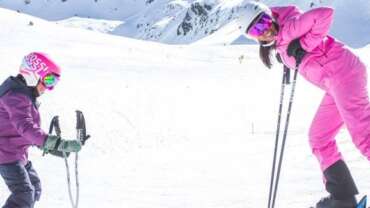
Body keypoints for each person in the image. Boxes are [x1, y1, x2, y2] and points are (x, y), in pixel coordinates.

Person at [237, 1, 370, 208]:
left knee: (364, 138)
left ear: (269, 15)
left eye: (264, 22)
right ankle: (342, 198)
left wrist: (303, 45)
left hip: (344, 75)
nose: (265, 30)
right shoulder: (282, 37)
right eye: (257, 30)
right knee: (319, 138)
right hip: (335, 83)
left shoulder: (289, 27)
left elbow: (325, 14)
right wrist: (288, 56)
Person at [0, 52, 82, 208]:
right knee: (23, 194)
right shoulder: (15, 96)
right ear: (32, 74)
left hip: (15, 153)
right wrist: (55, 142)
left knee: (34, 188)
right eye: (49, 80)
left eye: (54, 82)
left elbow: (24, 132)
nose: (49, 88)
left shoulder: (22, 94)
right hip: (5, 154)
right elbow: (26, 127)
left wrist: (47, 146)